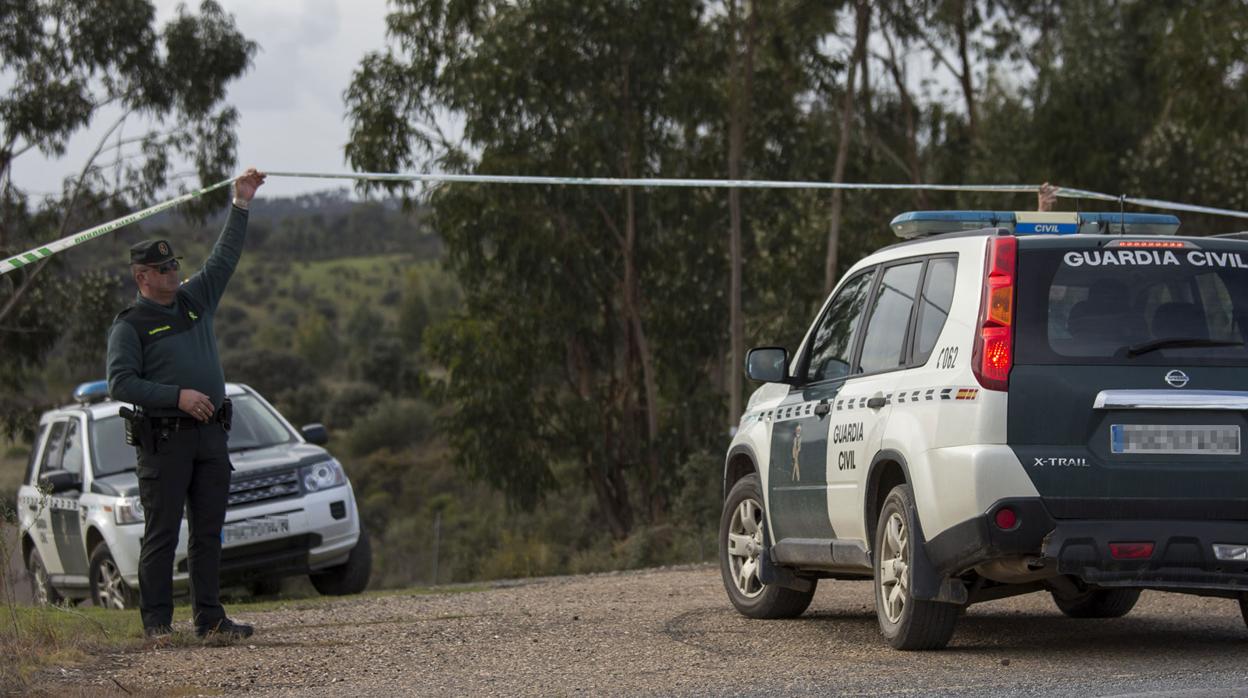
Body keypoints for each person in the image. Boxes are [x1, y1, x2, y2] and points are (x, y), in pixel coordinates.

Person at [106, 167, 266, 642]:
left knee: (208, 533)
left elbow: (224, 258)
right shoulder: (130, 325)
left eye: (174, 266)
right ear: (142, 277)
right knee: (161, 536)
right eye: (162, 270)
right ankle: (157, 625)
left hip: (211, 435)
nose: (173, 273)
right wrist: (177, 396)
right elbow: (120, 382)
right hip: (166, 441)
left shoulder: (194, 299)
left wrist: (241, 203)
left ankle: (211, 620)